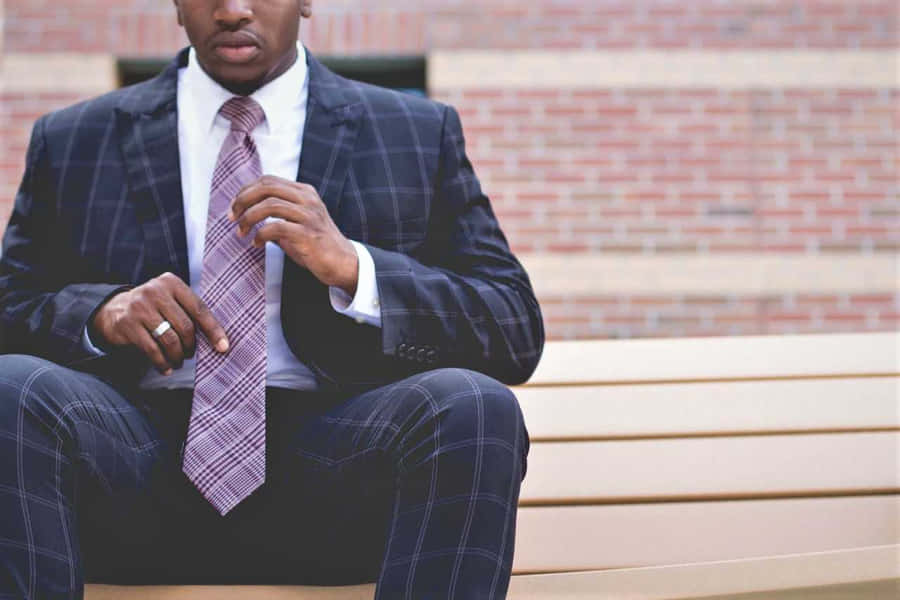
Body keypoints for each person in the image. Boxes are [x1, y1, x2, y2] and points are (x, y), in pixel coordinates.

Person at [0, 0, 544, 598]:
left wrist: (354, 269)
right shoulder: (75, 138)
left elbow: (512, 326)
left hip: (338, 475)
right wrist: (99, 314)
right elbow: (9, 308)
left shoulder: (414, 131)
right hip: (127, 471)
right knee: (13, 386)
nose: (233, 10)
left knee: (473, 404)